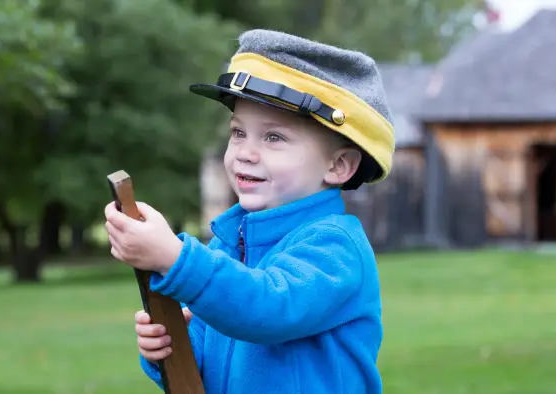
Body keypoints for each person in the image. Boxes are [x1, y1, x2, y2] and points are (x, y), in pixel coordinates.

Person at [104, 28, 395, 393]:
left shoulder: (334, 247)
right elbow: (203, 372)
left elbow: (268, 308)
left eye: (273, 137)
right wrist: (169, 348)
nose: (244, 151)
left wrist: (174, 258)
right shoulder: (227, 247)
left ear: (338, 166)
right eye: (238, 132)